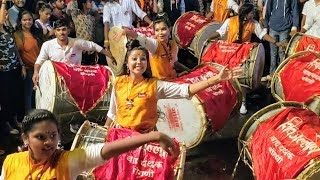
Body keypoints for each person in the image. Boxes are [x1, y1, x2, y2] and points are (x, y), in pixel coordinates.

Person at [104, 39, 242, 133]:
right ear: (127, 63)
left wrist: (217, 78)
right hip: (119, 138)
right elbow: (112, 112)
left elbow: (186, 90)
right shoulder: (118, 82)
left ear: (147, 63)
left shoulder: (155, 86)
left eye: (143, 59)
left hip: (144, 142)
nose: (139, 62)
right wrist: (104, 132)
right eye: (134, 59)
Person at [0, 109, 178, 179]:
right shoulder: (11, 163)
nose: (49, 142)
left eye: (53, 135)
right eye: (40, 137)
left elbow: (106, 150)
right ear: (25, 139)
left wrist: (153, 136)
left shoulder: (67, 162)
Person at [208, 3, 284, 114]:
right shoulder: (230, 21)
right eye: (252, 12)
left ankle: (242, 101)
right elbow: (220, 32)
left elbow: (262, 35)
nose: (254, 14)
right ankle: (227, 100)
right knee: (226, 77)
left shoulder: (254, 24)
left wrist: (276, 42)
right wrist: (208, 38)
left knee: (240, 78)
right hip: (230, 52)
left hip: (244, 54)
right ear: (246, 14)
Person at [32, 20, 114, 88]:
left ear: (68, 31)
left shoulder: (76, 42)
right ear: (55, 32)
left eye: (64, 29)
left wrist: (110, 56)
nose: (61, 32)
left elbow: (94, 46)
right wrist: (36, 72)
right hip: (55, 80)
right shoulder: (47, 45)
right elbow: (39, 61)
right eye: (58, 30)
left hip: (75, 79)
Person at [115, 14, 187, 80]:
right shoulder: (154, 44)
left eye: (163, 29)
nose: (160, 33)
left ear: (170, 29)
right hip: (161, 84)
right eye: (157, 30)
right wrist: (127, 32)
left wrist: (188, 70)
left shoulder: (173, 44)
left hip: (174, 78)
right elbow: (141, 38)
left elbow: (174, 63)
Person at [0, 0, 26, 135]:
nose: (5, 15)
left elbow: (15, 48)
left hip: (15, 67)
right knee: (6, 99)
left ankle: (15, 120)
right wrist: (4, 2)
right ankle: (7, 125)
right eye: (3, 13)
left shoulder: (8, 28)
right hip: (3, 71)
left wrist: (21, 64)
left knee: (16, 96)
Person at [14, 10, 43, 112]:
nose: (28, 22)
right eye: (24, 20)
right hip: (28, 68)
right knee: (28, 95)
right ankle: (29, 117)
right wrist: (22, 66)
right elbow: (18, 52)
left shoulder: (36, 31)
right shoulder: (18, 34)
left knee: (39, 94)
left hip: (39, 68)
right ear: (20, 21)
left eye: (30, 19)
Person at [264, 0, 299, 77]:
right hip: (272, 27)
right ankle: (272, 74)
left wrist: (294, 27)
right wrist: (265, 26)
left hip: (285, 28)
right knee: (273, 53)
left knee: (282, 52)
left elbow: (295, 11)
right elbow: (268, 11)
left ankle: (280, 76)